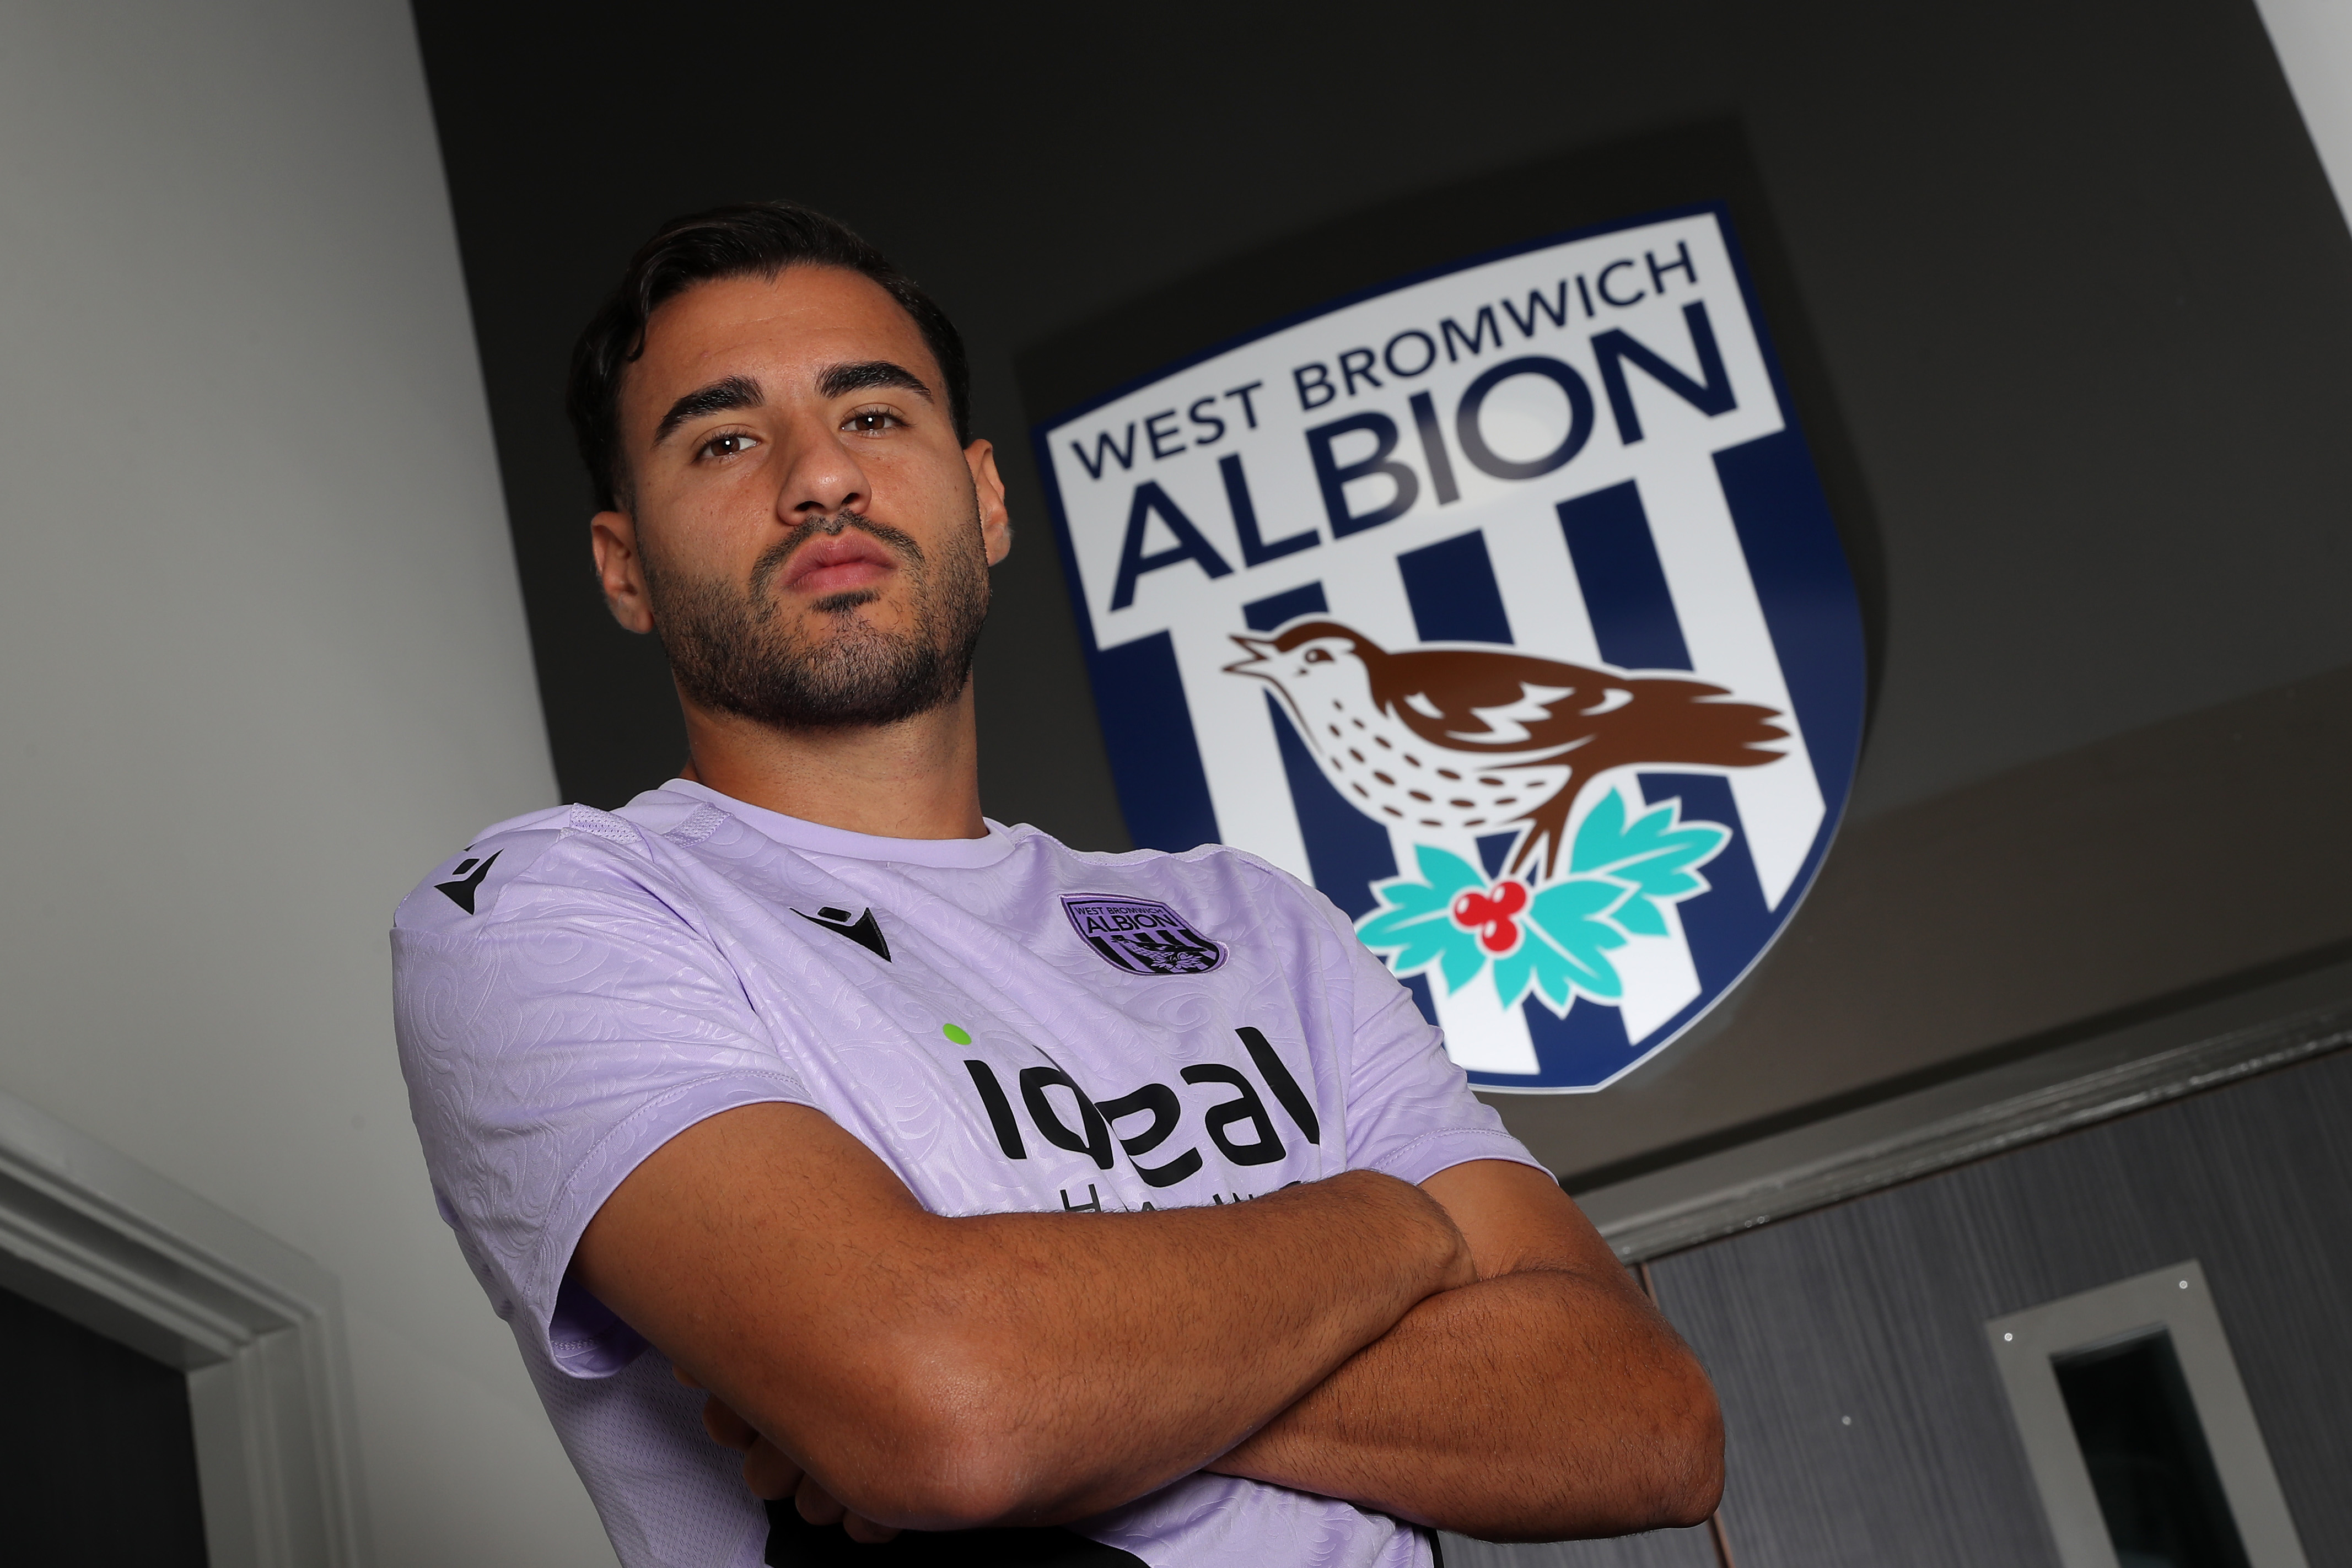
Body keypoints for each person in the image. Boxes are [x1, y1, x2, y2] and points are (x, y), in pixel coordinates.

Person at [391, 202, 1723, 1568]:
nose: (819, 480)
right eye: (725, 439)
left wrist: (1062, 1370)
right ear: (624, 568)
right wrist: (1403, 1226)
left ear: (982, 496)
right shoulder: (546, 909)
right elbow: (944, 1401)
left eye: (874, 415)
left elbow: (1645, 1420)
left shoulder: (1251, 920)